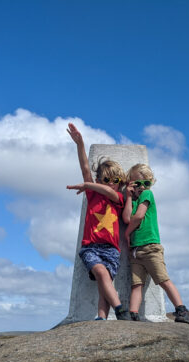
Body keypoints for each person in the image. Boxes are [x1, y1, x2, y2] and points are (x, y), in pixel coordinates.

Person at [66, 123, 131, 321]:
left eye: (116, 180)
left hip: (111, 250)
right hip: (91, 248)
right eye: (106, 179)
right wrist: (80, 144)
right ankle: (121, 311)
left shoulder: (118, 200)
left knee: (105, 285)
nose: (111, 183)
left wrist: (89, 185)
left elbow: (111, 192)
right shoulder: (93, 194)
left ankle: (101, 318)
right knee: (102, 274)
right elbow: (85, 168)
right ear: (98, 180)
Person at [122, 163, 189, 324]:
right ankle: (133, 314)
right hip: (135, 250)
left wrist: (127, 233)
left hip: (150, 247)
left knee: (162, 279)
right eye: (137, 183)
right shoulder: (133, 200)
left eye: (146, 183)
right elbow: (126, 218)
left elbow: (138, 216)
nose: (142, 187)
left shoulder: (148, 195)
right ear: (130, 183)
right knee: (136, 284)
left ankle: (181, 310)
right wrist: (129, 196)